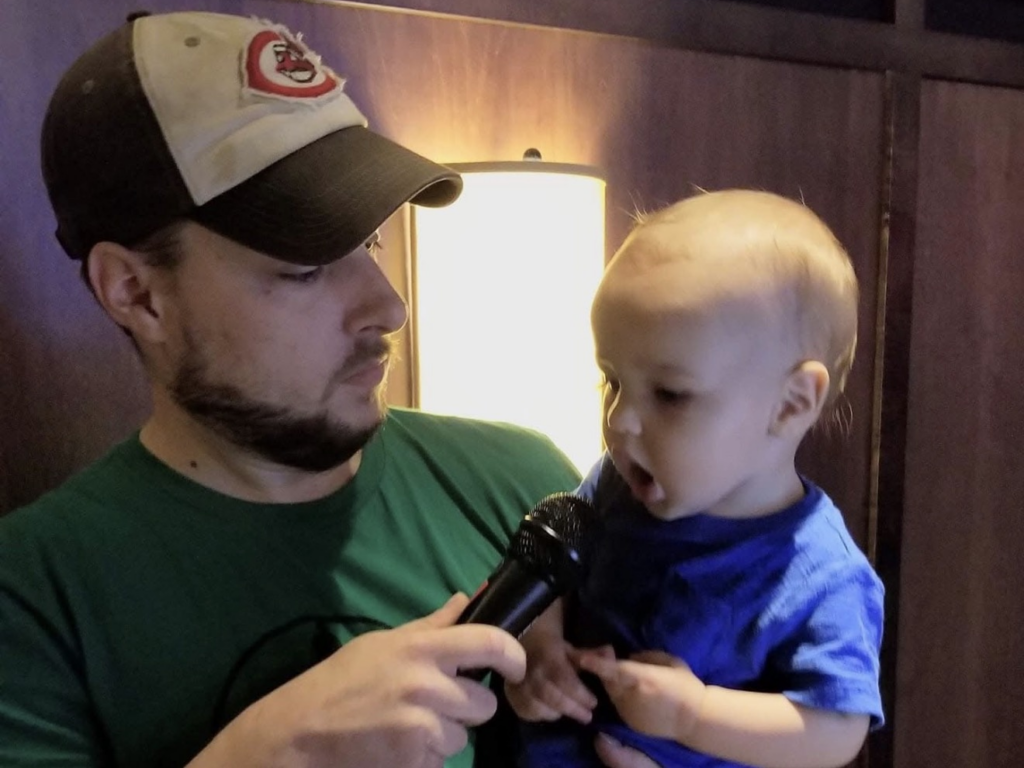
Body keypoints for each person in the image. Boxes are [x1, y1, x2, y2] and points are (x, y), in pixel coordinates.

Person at [0, 10, 660, 768]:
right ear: (136, 293)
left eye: (370, 240)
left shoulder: (525, 483)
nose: (389, 309)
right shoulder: (34, 596)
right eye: (304, 268)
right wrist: (268, 754)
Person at [505, 189, 885, 767]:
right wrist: (540, 646)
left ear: (789, 405)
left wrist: (695, 713)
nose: (619, 419)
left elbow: (834, 729)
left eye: (669, 394)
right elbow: (548, 575)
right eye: (611, 381)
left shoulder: (821, 573)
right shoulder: (612, 486)